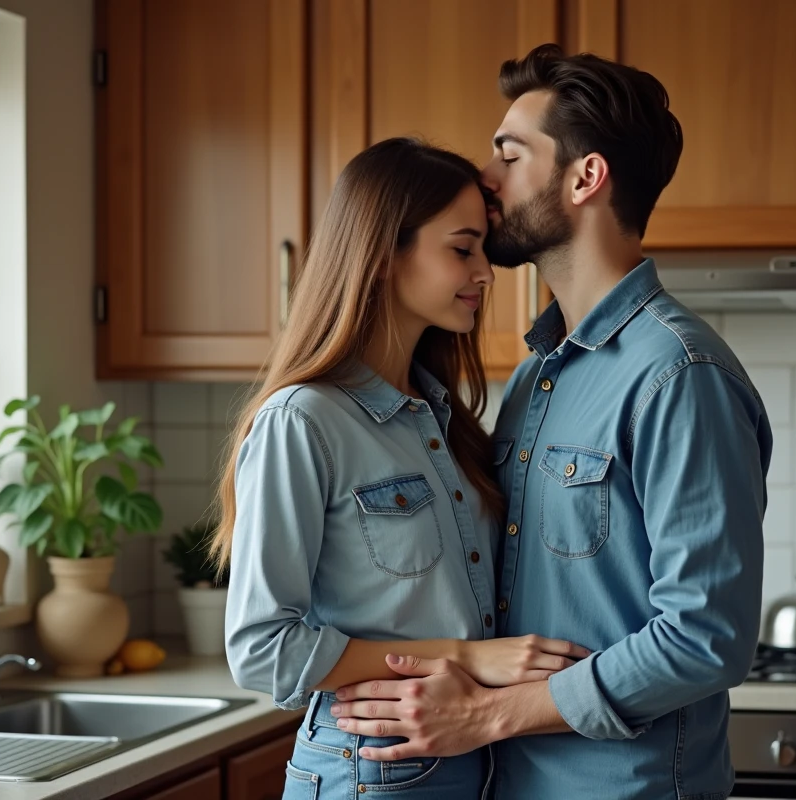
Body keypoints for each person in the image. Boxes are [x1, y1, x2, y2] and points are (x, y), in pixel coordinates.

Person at [326, 45, 773, 800]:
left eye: (508, 155)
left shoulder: (679, 376)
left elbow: (706, 638)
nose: (484, 179)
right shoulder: (537, 374)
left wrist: (491, 716)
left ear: (584, 178)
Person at [211, 137, 589, 800]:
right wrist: (469, 658)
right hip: (371, 771)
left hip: (473, 757)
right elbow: (264, 648)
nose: (484, 273)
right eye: (461, 248)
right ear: (385, 255)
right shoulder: (304, 421)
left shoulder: (443, 420)